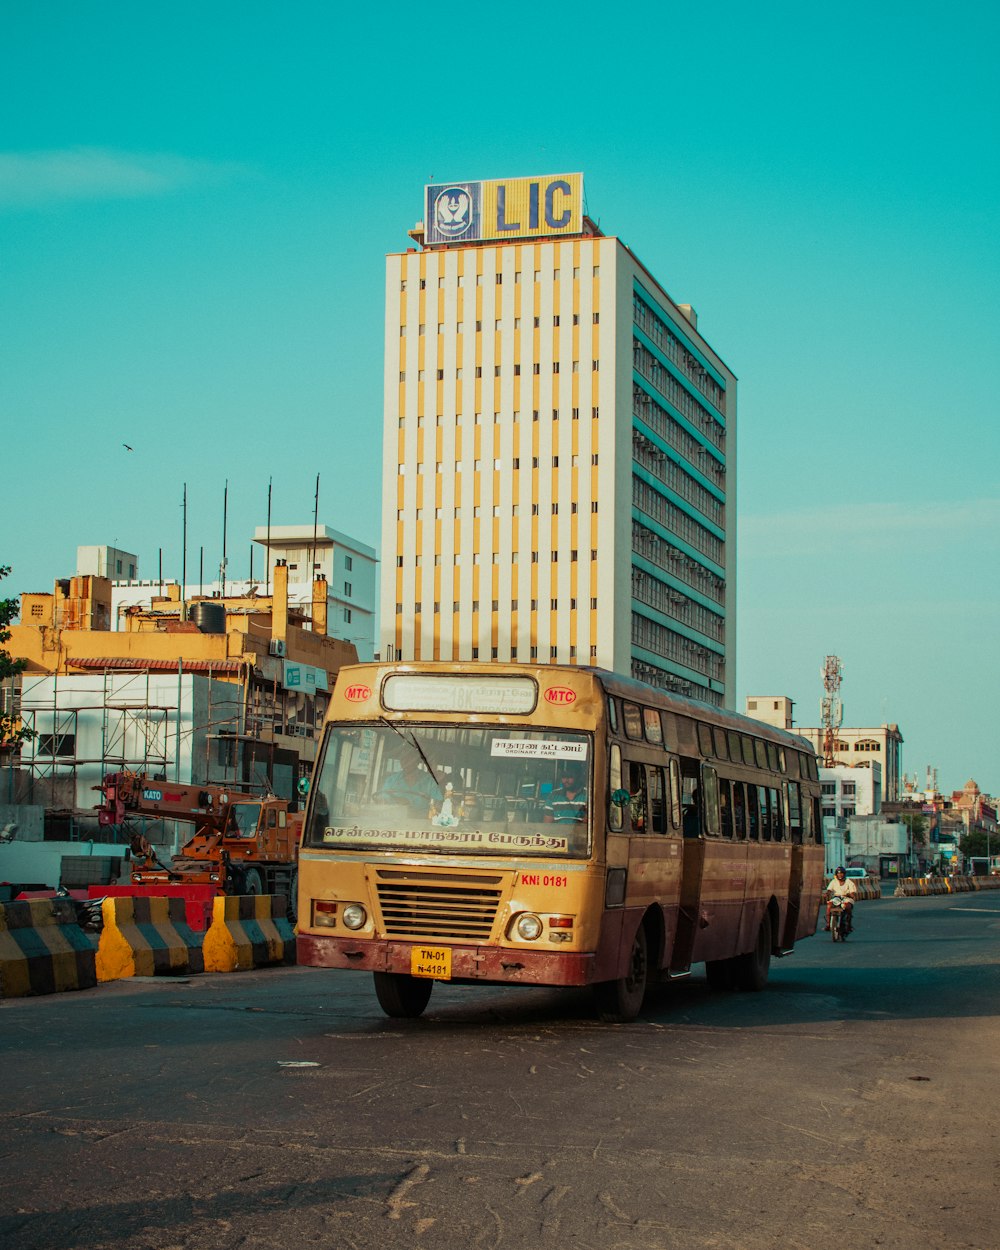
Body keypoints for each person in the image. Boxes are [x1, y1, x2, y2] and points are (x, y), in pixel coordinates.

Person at [824, 865, 858, 930]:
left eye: (841, 873)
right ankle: (828, 924)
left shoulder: (849, 882)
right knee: (829, 905)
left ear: (844, 874)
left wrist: (850, 894)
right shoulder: (834, 881)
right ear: (836, 874)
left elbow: (853, 892)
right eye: (838, 873)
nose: (840, 875)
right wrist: (827, 893)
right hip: (836, 898)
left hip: (846, 898)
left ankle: (848, 924)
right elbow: (829, 889)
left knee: (847, 906)